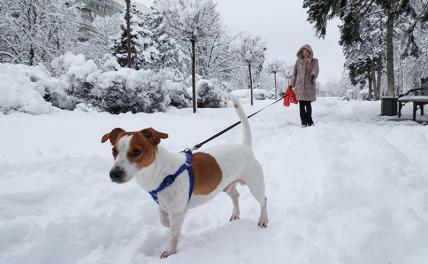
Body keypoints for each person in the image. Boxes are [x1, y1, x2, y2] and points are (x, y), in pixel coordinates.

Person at [290, 44, 319, 127]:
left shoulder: (314, 61)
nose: (305, 53)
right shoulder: (298, 61)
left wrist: (313, 75)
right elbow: (294, 73)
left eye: (306, 51)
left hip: (309, 85)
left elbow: (315, 69)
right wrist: (291, 84)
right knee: (301, 104)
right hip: (299, 86)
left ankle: (309, 120)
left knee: (308, 104)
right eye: (303, 52)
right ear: (301, 52)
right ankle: (303, 121)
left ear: (310, 52)